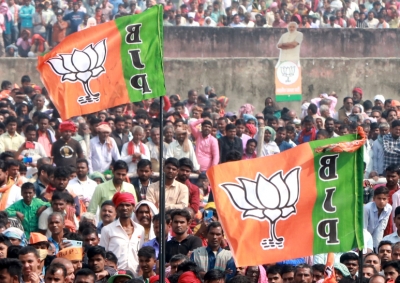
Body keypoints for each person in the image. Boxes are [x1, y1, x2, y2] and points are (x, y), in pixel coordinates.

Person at [99, 192, 144, 275]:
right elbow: (103, 255)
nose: (124, 208)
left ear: (133, 208)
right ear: (116, 208)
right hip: (115, 275)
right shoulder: (107, 230)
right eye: (121, 205)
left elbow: (141, 253)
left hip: (135, 275)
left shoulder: (140, 229)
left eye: (128, 205)